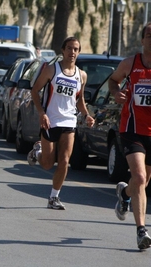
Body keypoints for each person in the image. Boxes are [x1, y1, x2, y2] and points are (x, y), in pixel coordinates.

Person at [26, 37, 95, 210]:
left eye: (76, 49)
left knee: (64, 160)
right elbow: (35, 91)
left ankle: (53, 197)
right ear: (63, 50)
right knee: (48, 164)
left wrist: (86, 115)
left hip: (69, 121)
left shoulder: (81, 75)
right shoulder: (52, 70)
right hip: (51, 120)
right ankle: (38, 152)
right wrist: (42, 113)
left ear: (79, 52)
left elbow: (79, 99)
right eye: (69, 48)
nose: (72, 52)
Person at [109, 22, 151, 250]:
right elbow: (112, 81)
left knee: (141, 182)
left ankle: (124, 194)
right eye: (148, 35)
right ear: (142, 40)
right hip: (132, 128)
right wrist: (117, 94)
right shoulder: (130, 63)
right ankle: (141, 231)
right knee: (141, 178)